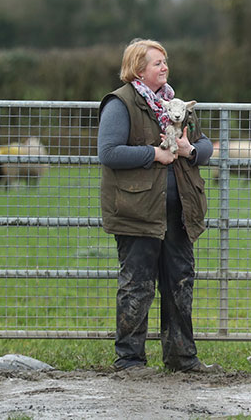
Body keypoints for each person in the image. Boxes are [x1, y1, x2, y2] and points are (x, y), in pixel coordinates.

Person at [98, 38, 216, 373]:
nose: (164, 67)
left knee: (180, 284)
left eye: (165, 62)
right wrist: (155, 154)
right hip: (137, 212)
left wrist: (188, 151)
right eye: (156, 63)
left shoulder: (176, 105)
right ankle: (130, 360)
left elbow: (204, 146)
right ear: (138, 69)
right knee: (137, 286)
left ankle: (182, 358)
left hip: (178, 213)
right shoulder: (120, 104)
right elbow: (109, 153)